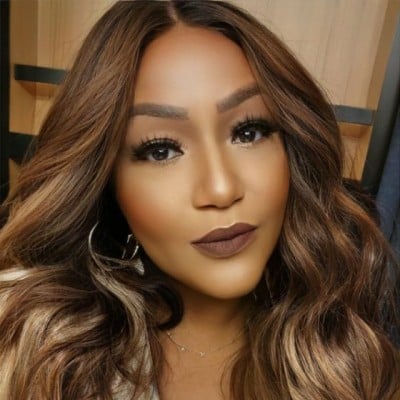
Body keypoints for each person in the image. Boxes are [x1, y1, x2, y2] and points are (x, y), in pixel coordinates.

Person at [0, 1, 399, 399]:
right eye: (160, 150)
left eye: (248, 132)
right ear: (107, 182)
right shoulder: (34, 353)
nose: (221, 190)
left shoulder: (358, 364)